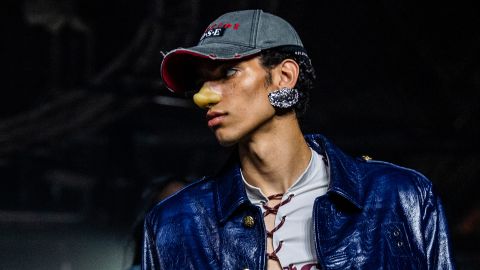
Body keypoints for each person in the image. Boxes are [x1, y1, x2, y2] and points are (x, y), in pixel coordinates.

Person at [143, 9, 455, 270]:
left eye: (227, 72)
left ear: (284, 77)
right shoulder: (174, 223)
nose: (202, 96)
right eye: (200, 82)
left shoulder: (401, 198)